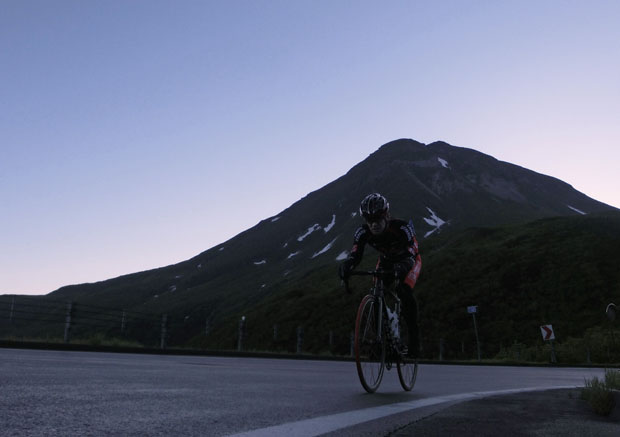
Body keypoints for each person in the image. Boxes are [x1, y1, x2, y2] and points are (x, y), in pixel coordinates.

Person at [339, 193, 422, 358]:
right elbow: (355, 255)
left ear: (386, 216)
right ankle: (383, 340)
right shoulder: (362, 232)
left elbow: (412, 252)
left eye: (377, 219)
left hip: (409, 259)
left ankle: (414, 342)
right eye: (369, 220)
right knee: (376, 292)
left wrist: (402, 267)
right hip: (386, 260)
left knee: (404, 290)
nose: (373, 224)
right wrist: (347, 266)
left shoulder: (402, 228)